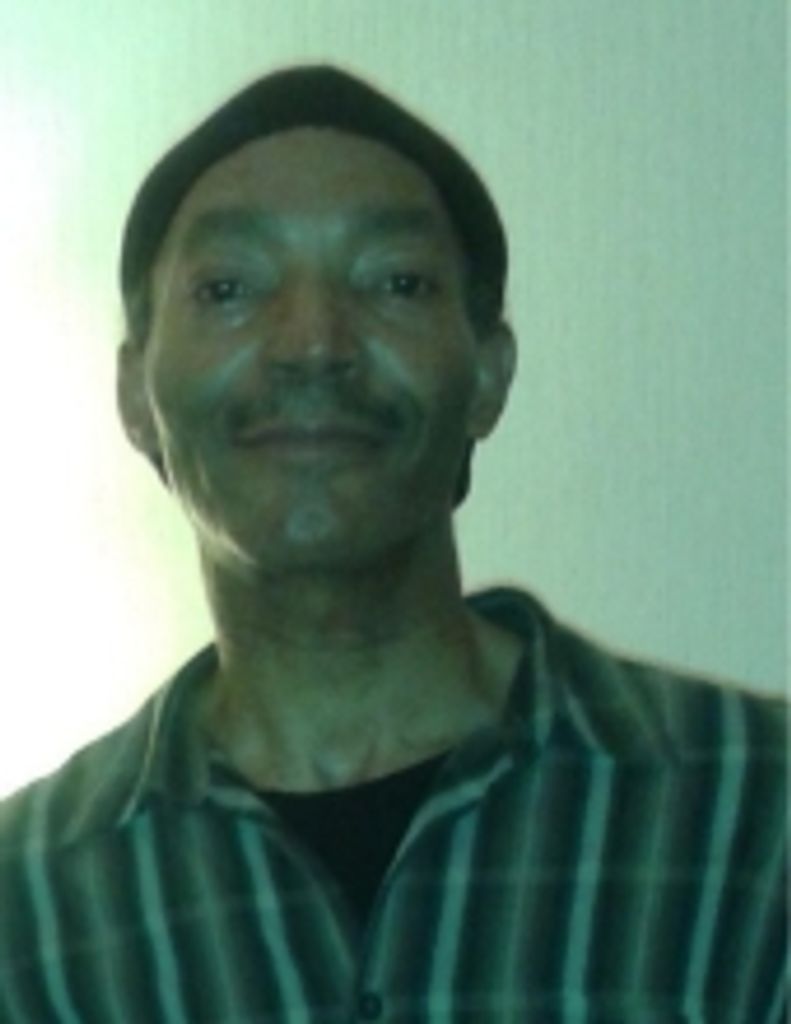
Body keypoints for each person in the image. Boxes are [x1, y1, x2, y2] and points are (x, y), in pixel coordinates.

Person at [0, 65, 786, 1023]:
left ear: (489, 375)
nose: (313, 342)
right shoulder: (27, 905)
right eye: (229, 288)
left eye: (395, 283)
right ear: (134, 395)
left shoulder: (757, 815)